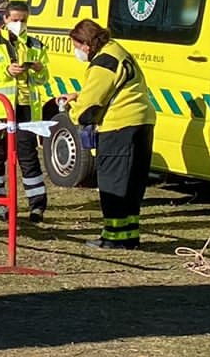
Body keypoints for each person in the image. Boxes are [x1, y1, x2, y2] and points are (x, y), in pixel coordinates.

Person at [63, 19, 155, 251]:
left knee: (112, 183)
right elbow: (110, 88)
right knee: (132, 183)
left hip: (119, 125)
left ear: (86, 44)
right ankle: (129, 236)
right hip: (141, 121)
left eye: (76, 46)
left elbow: (89, 109)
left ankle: (113, 237)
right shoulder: (117, 51)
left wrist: (69, 107)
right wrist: (82, 95)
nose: (76, 51)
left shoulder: (103, 62)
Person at [0, 0, 51, 223]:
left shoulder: (36, 45)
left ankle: (37, 206)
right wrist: (5, 70)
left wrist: (38, 70)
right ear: (5, 19)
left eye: (23, 20)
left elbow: (44, 79)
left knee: (28, 157)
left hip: (24, 108)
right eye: (15, 19)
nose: (19, 23)